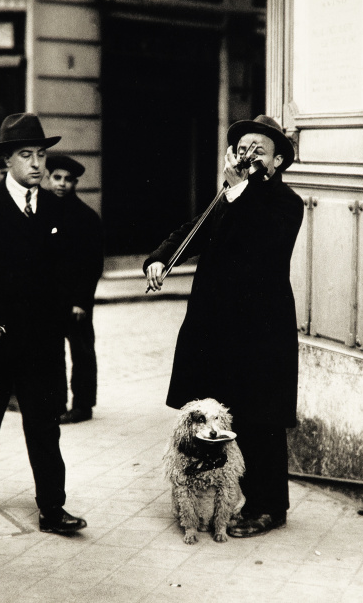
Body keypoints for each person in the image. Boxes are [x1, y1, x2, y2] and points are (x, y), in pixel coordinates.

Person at [144, 115, 304, 538]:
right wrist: (160, 256)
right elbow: (192, 232)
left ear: (278, 162)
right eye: (243, 147)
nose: (248, 154)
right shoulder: (229, 197)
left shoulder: (285, 203)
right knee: (223, 413)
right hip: (216, 328)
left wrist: (237, 192)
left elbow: (256, 245)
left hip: (260, 331)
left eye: (260, 149)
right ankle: (221, 496)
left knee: (260, 419)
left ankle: (270, 507)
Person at [0, 113, 87, 535]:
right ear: (6, 160)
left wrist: (67, 309)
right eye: (26, 155)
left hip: (43, 340)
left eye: (40, 154)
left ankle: (53, 507)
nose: (37, 164)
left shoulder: (56, 207)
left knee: (44, 423)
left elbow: (66, 270)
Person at [43, 155, 104, 424]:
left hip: (76, 301)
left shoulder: (85, 217)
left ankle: (83, 405)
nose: (62, 184)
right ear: (48, 178)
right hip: (51, 300)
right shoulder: (42, 212)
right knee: (52, 353)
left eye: (68, 180)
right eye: (57, 178)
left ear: (75, 183)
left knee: (81, 351)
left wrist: (81, 300)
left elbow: (93, 264)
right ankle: (56, 404)